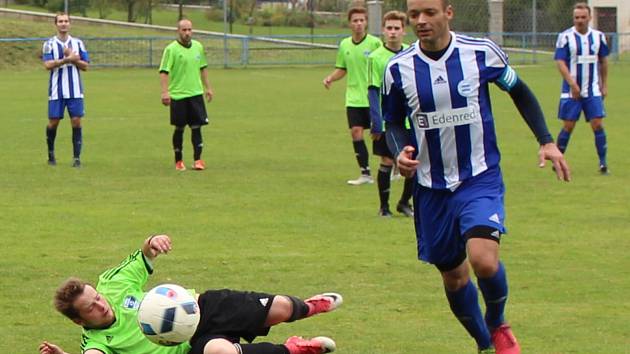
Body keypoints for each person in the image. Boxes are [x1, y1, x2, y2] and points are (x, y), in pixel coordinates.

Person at [382, 0, 571, 353]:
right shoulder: (397, 69)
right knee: (454, 277)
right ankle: (484, 343)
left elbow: (519, 90)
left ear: (448, 13)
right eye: (414, 15)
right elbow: (391, 121)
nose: (421, 21)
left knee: (484, 259)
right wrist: (400, 150)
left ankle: (497, 321)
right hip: (430, 187)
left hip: (478, 176)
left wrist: (546, 140)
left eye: (430, 13)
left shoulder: (481, 54)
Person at [38, 234, 341, 354]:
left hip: (199, 307)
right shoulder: (96, 343)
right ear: (79, 321)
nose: (101, 305)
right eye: (90, 308)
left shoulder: (112, 283)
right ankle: (295, 349)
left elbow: (143, 256)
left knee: (281, 308)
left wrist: (151, 243)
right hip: (188, 347)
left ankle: (308, 308)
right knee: (219, 353)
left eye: (97, 298)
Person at [323, 7, 382, 185]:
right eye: (355, 21)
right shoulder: (345, 45)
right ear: (350, 23)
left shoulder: (375, 43)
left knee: (378, 134)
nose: (358, 24)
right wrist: (331, 78)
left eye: (362, 20)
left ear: (366, 23)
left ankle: (391, 163)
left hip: (374, 97)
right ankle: (365, 173)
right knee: (356, 132)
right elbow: (342, 68)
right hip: (354, 97)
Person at [367, 10, 414, 217]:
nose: (393, 32)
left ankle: (404, 202)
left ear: (404, 31)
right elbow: (372, 90)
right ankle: (383, 207)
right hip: (387, 121)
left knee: (414, 162)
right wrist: (376, 122)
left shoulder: (411, 53)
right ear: (383, 31)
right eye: (389, 28)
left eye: (397, 28)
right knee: (386, 161)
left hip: (410, 120)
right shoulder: (376, 58)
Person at [554, 2, 610, 174]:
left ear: (589, 18)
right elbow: (560, 62)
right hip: (572, 91)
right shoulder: (565, 37)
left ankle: (603, 163)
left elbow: (603, 61)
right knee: (568, 125)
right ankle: (557, 161)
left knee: (597, 124)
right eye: (576, 17)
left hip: (592, 89)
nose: (579, 20)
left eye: (583, 17)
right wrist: (572, 83)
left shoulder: (598, 37)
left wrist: (604, 84)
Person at [160, 19, 214, 171]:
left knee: (197, 127)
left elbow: (203, 68)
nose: (187, 33)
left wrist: (208, 88)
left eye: (189, 29)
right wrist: (165, 92)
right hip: (178, 95)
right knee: (180, 128)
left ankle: (198, 160)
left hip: (196, 94)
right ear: (178, 31)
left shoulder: (198, 47)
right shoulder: (171, 49)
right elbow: (164, 71)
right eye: (184, 30)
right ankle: (179, 161)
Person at [43, 13, 89, 168]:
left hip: (75, 90)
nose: (63, 24)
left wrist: (75, 59)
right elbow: (47, 65)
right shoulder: (49, 44)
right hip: (57, 90)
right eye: (60, 21)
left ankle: (77, 158)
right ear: (55, 24)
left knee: (76, 120)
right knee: (53, 122)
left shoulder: (78, 43)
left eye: (66, 21)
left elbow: (85, 66)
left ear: (70, 24)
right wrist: (66, 59)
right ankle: (51, 154)